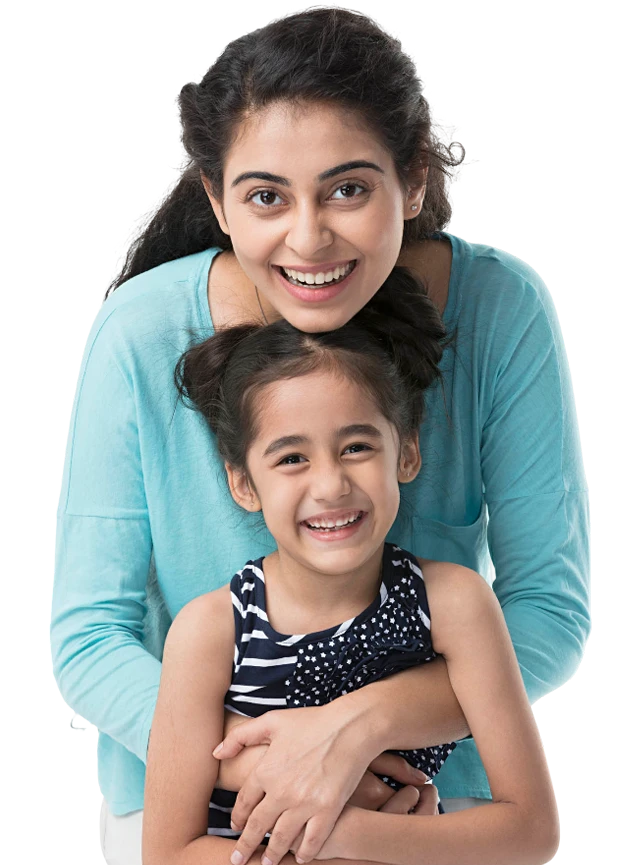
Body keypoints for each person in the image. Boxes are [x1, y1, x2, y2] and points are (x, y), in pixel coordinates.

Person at [49, 5, 589, 865]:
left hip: (437, 810)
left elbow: (548, 610)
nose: (308, 237)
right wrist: (269, 762)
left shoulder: (496, 311)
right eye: (266, 196)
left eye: (347, 188)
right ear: (218, 201)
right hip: (216, 810)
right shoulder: (141, 333)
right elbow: (87, 637)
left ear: (410, 178)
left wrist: (355, 732)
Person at [142, 293, 560, 865]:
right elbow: (168, 854)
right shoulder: (210, 631)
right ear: (243, 483)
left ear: (406, 452)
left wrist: (344, 834)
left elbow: (531, 832)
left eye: (357, 447)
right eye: (291, 458)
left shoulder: (455, 604)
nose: (331, 485)